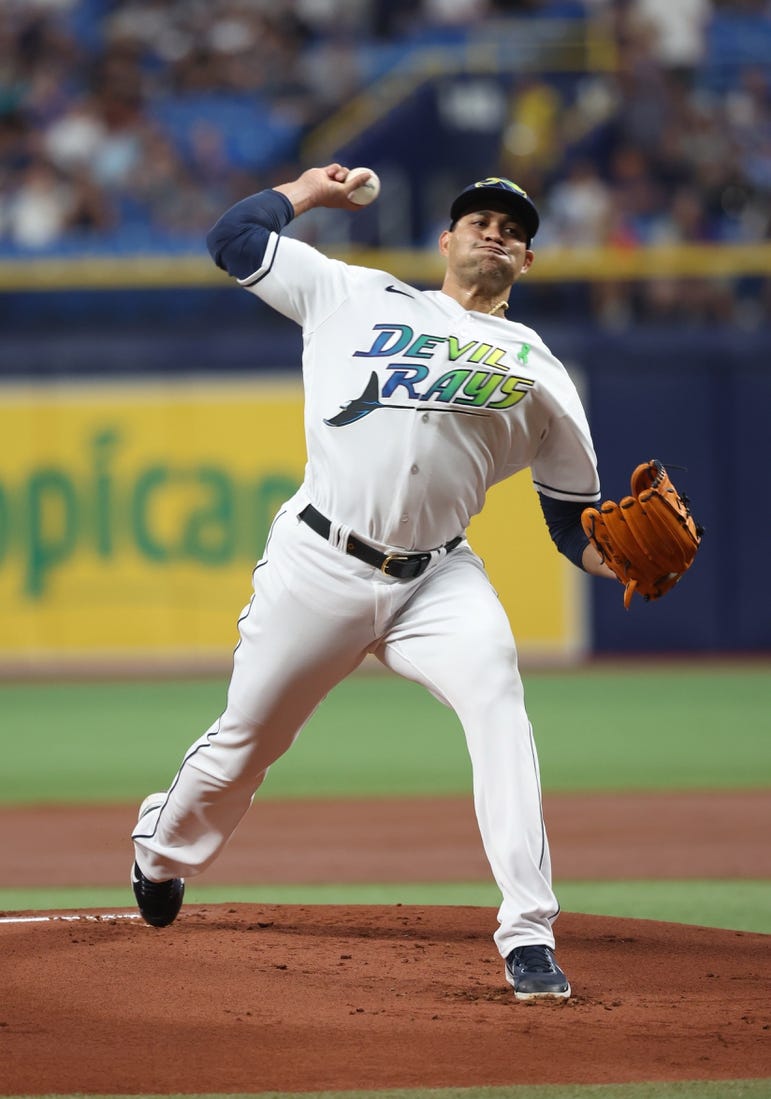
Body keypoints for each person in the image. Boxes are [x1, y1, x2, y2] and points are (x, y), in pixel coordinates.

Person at [130, 165, 615, 1001]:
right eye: (478, 220)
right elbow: (231, 240)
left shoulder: (538, 367)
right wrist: (311, 189)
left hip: (438, 578)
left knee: (498, 699)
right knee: (247, 742)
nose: (493, 231)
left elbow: (573, 521)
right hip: (319, 562)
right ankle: (160, 850)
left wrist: (620, 560)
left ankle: (527, 931)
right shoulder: (354, 294)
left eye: (511, 227)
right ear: (446, 240)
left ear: (527, 260)